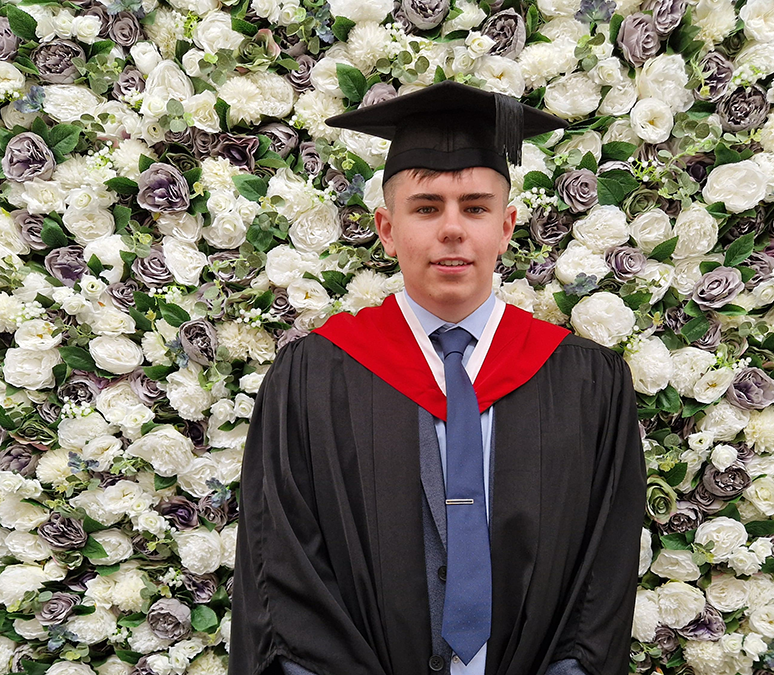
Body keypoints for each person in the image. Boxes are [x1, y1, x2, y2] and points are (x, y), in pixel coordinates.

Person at [230, 81, 647, 675]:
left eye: (475, 207)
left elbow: (603, 570)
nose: (452, 229)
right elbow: (282, 567)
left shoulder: (585, 384)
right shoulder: (315, 376)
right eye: (426, 208)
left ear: (506, 227)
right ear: (386, 228)